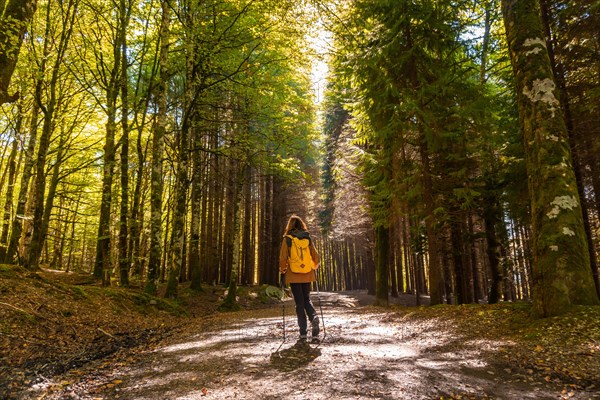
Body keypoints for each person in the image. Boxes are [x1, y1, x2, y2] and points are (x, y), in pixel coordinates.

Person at [279, 214, 320, 340]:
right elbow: (316, 257)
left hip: (294, 274)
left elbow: (283, 257)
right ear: (302, 225)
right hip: (307, 273)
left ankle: (303, 331)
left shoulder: (288, 239)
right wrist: (313, 266)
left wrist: (282, 270)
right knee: (307, 299)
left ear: (290, 226)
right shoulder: (307, 238)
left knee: (299, 302)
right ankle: (314, 317)